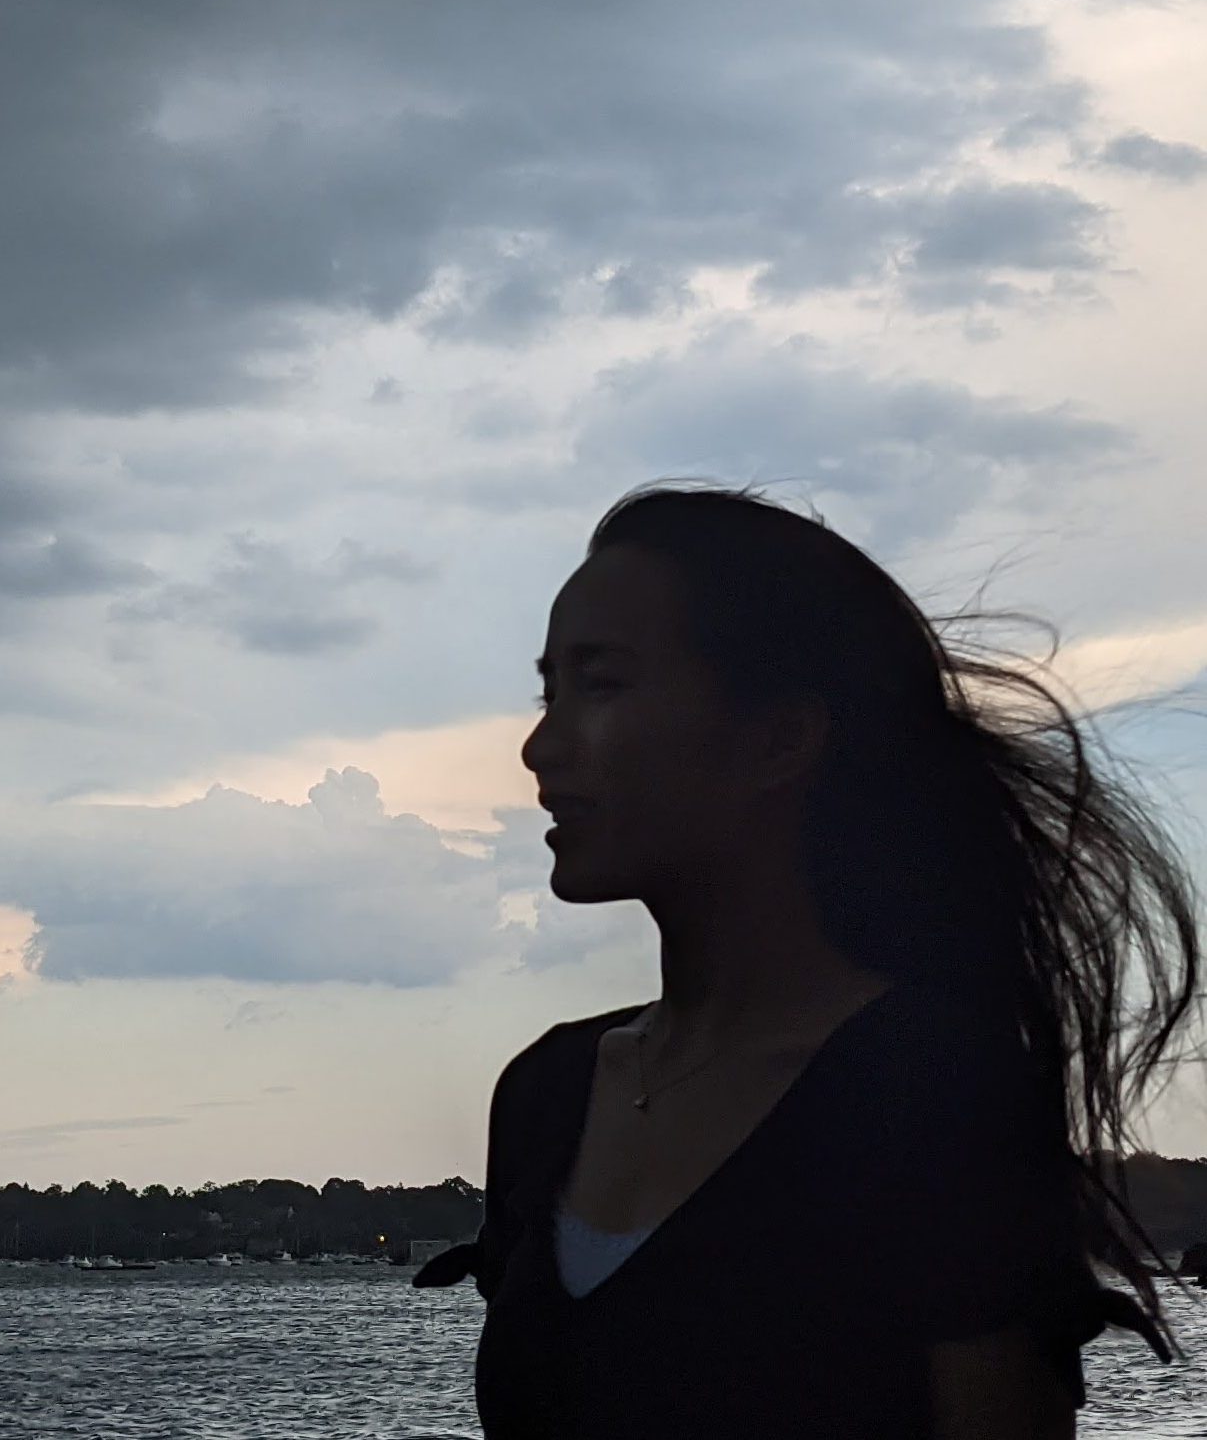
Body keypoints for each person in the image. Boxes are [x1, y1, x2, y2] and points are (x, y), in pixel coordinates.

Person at [463, 484, 1201, 1438]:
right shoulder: (544, 1094)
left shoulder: (930, 1087)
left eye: (601, 684)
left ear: (781, 737)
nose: (539, 745)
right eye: (547, 690)